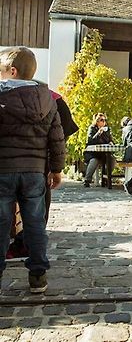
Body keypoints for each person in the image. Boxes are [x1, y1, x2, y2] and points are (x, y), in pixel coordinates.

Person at [0, 46, 65, 293]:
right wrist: (56, 169)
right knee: (35, 224)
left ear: (12, 71)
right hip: (35, 173)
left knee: (1, 224)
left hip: (3, 171)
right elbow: (56, 138)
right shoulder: (47, 98)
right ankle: (38, 275)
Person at [7, 90, 78, 260]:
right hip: (37, 150)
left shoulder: (15, 92)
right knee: (37, 197)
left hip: (28, 152)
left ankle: (25, 244)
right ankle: (32, 252)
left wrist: (53, 166)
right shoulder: (45, 94)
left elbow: (61, 131)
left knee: (36, 195)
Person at [83, 113, 114, 187]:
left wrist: (110, 142)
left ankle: (106, 177)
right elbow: (90, 141)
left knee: (112, 160)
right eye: (101, 120)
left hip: (103, 153)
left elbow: (109, 139)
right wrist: (98, 133)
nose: (103, 122)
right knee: (94, 160)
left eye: (104, 120)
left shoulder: (107, 129)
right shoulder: (92, 128)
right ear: (97, 121)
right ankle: (87, 180)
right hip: (92, 153)